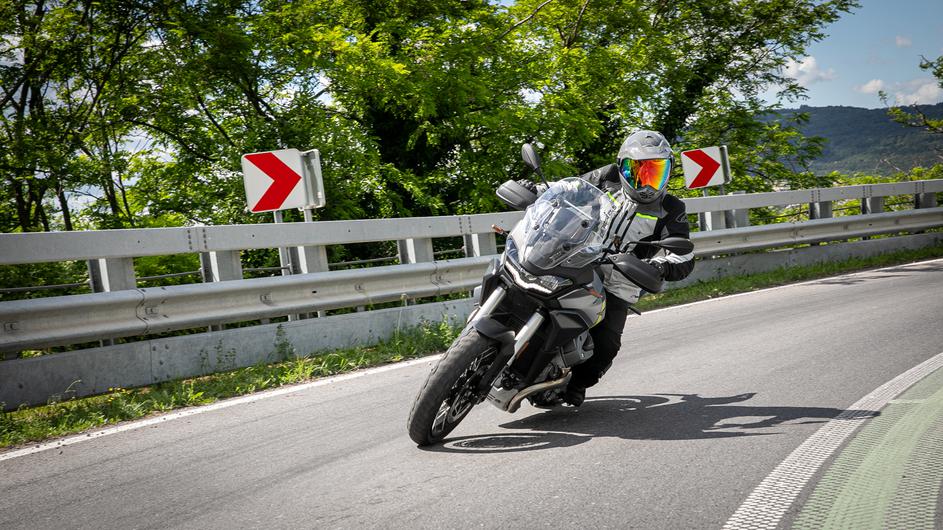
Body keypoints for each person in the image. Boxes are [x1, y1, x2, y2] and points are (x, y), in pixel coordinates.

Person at [521, 130, 695, 407]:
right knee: (526, 287)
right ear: (622, 166)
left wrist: (657, 266)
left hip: (619, 282)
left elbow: (683, 254)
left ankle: (577, 382)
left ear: (669, 172)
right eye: (637, 171)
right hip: (575, 258)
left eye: (655, 172)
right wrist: (538, 190)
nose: (645, 181)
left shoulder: (672, 208)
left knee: (607, 345)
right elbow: (572, 188)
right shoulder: (608, 177)